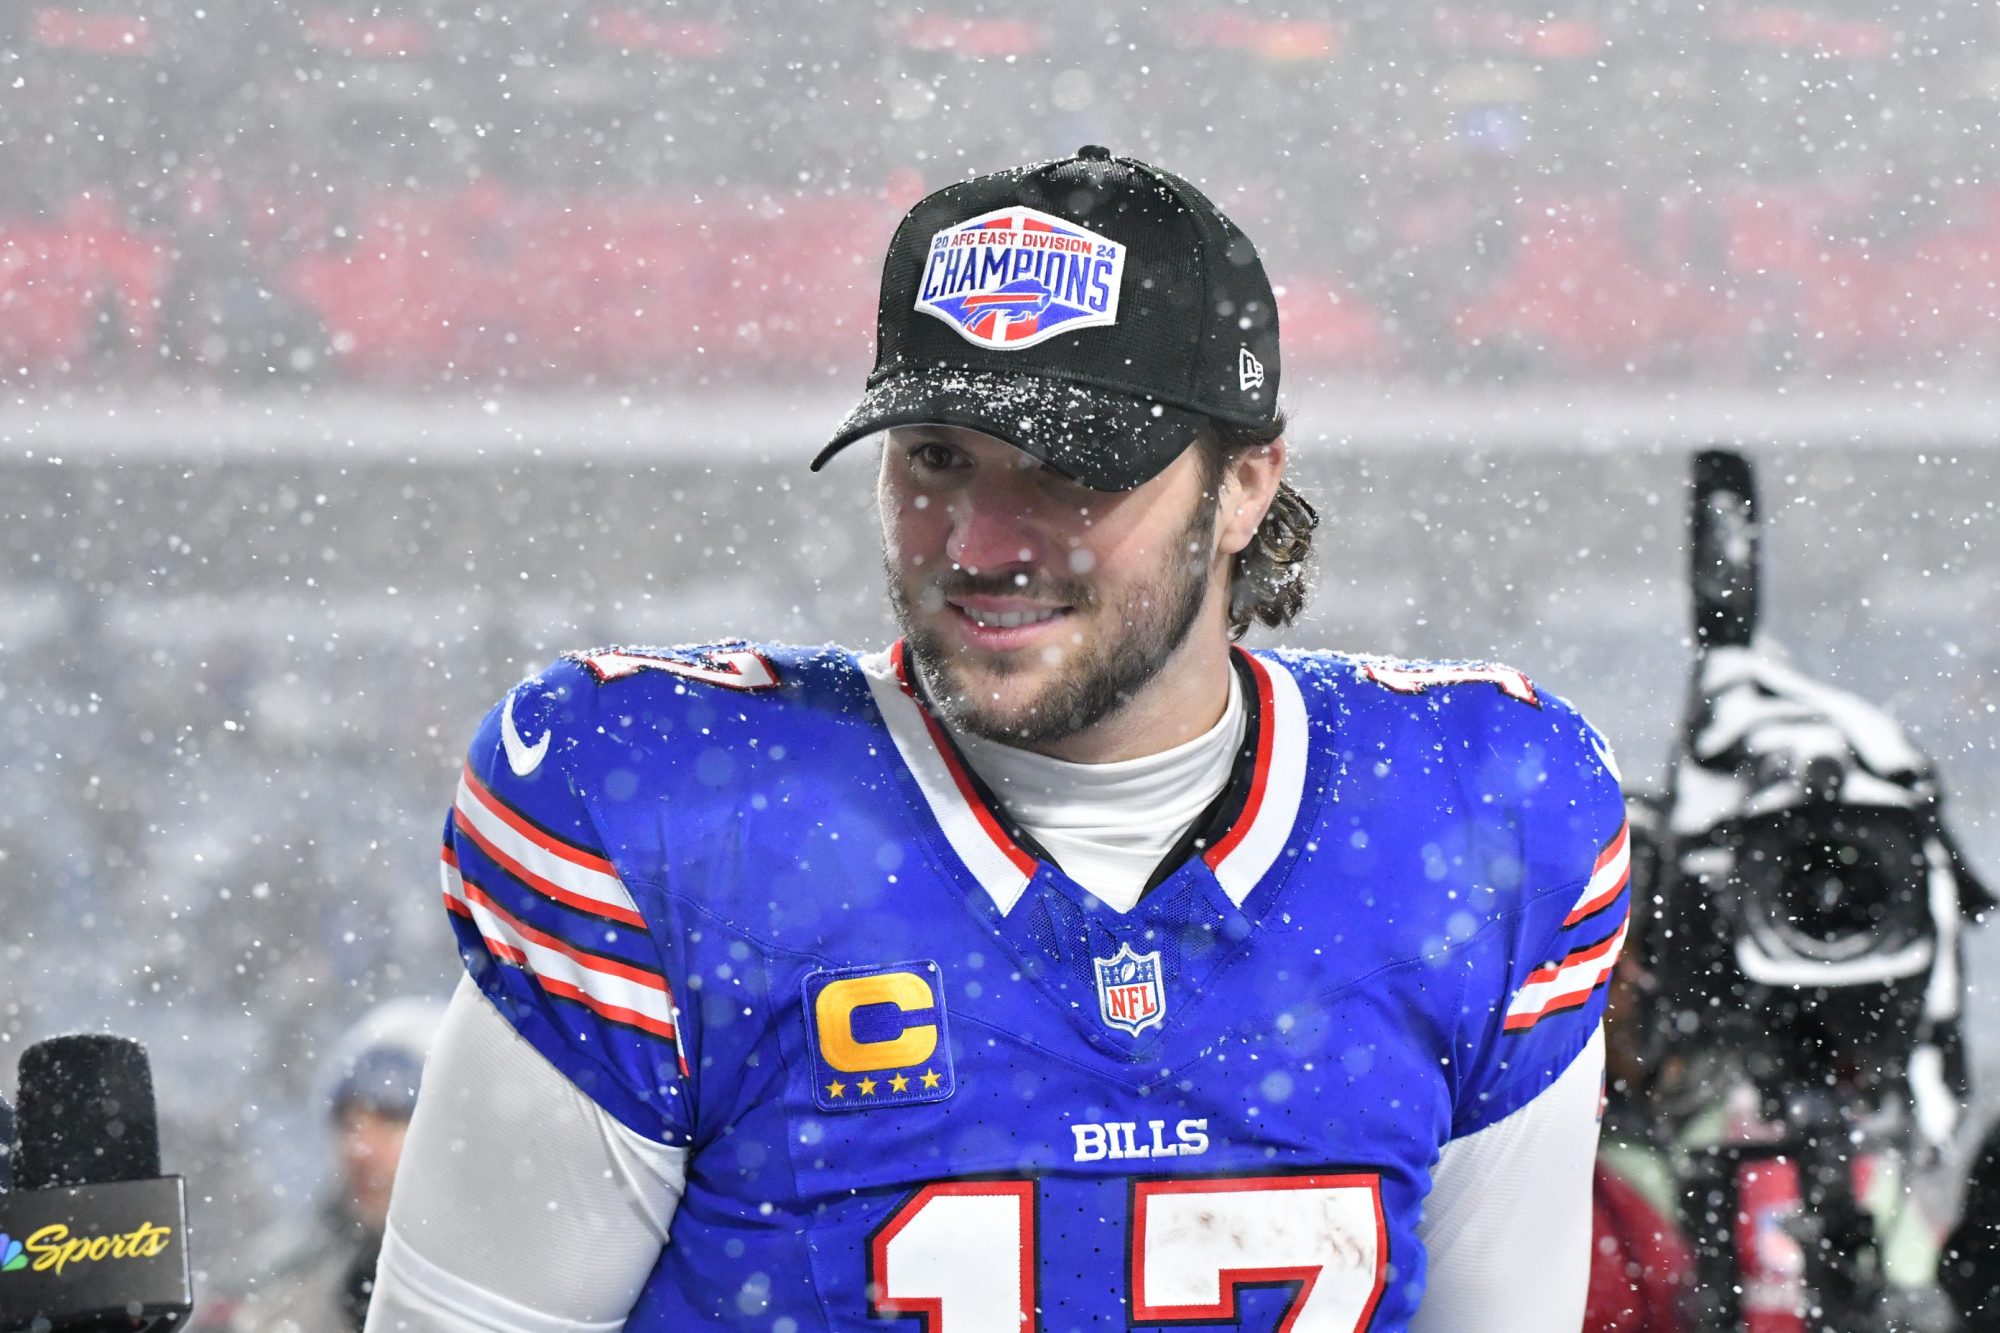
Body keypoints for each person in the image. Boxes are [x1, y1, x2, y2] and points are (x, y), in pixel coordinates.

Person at [367, 146, 1629, 1331]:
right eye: (934, 459)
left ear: (1243, 483)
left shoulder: (1473, 817)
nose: (977, 544)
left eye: (1069, 469)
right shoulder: (679, 823)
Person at [234, 999, 443, 1333]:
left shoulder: (520, 1284)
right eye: (349, 1123)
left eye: (388, 1120)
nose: (359, 1149)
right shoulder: (286, 1286)